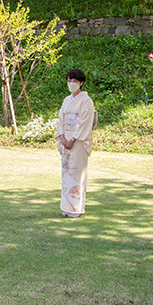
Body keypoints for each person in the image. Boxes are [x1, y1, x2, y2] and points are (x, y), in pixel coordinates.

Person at [57, 69, 95, 218]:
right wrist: (62, 138)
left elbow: (85, 121)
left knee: (77, 173)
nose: (71, 84)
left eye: (74, 81)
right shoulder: (66, 100)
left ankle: (77, 207)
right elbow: (60, 119)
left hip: (78, 141)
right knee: (67, 173)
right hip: (66, 139)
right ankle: (67, 206)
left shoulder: (86, 101)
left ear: (81, 83)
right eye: (69, 81)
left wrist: (73, 139)